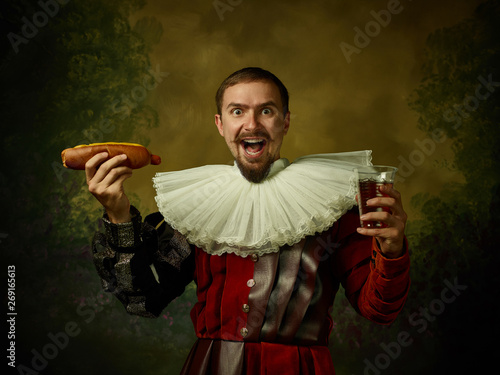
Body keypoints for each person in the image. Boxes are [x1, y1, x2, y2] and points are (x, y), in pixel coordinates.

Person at [86, 67, 410, 374]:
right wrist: (117, 213)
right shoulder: (200, 207)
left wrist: (392, 248)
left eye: (266, 111)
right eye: (237, 111)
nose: (251, 124)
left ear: (285, 122)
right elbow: (144, 299)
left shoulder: (333, 203)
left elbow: (379, 310)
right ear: (220, 123)